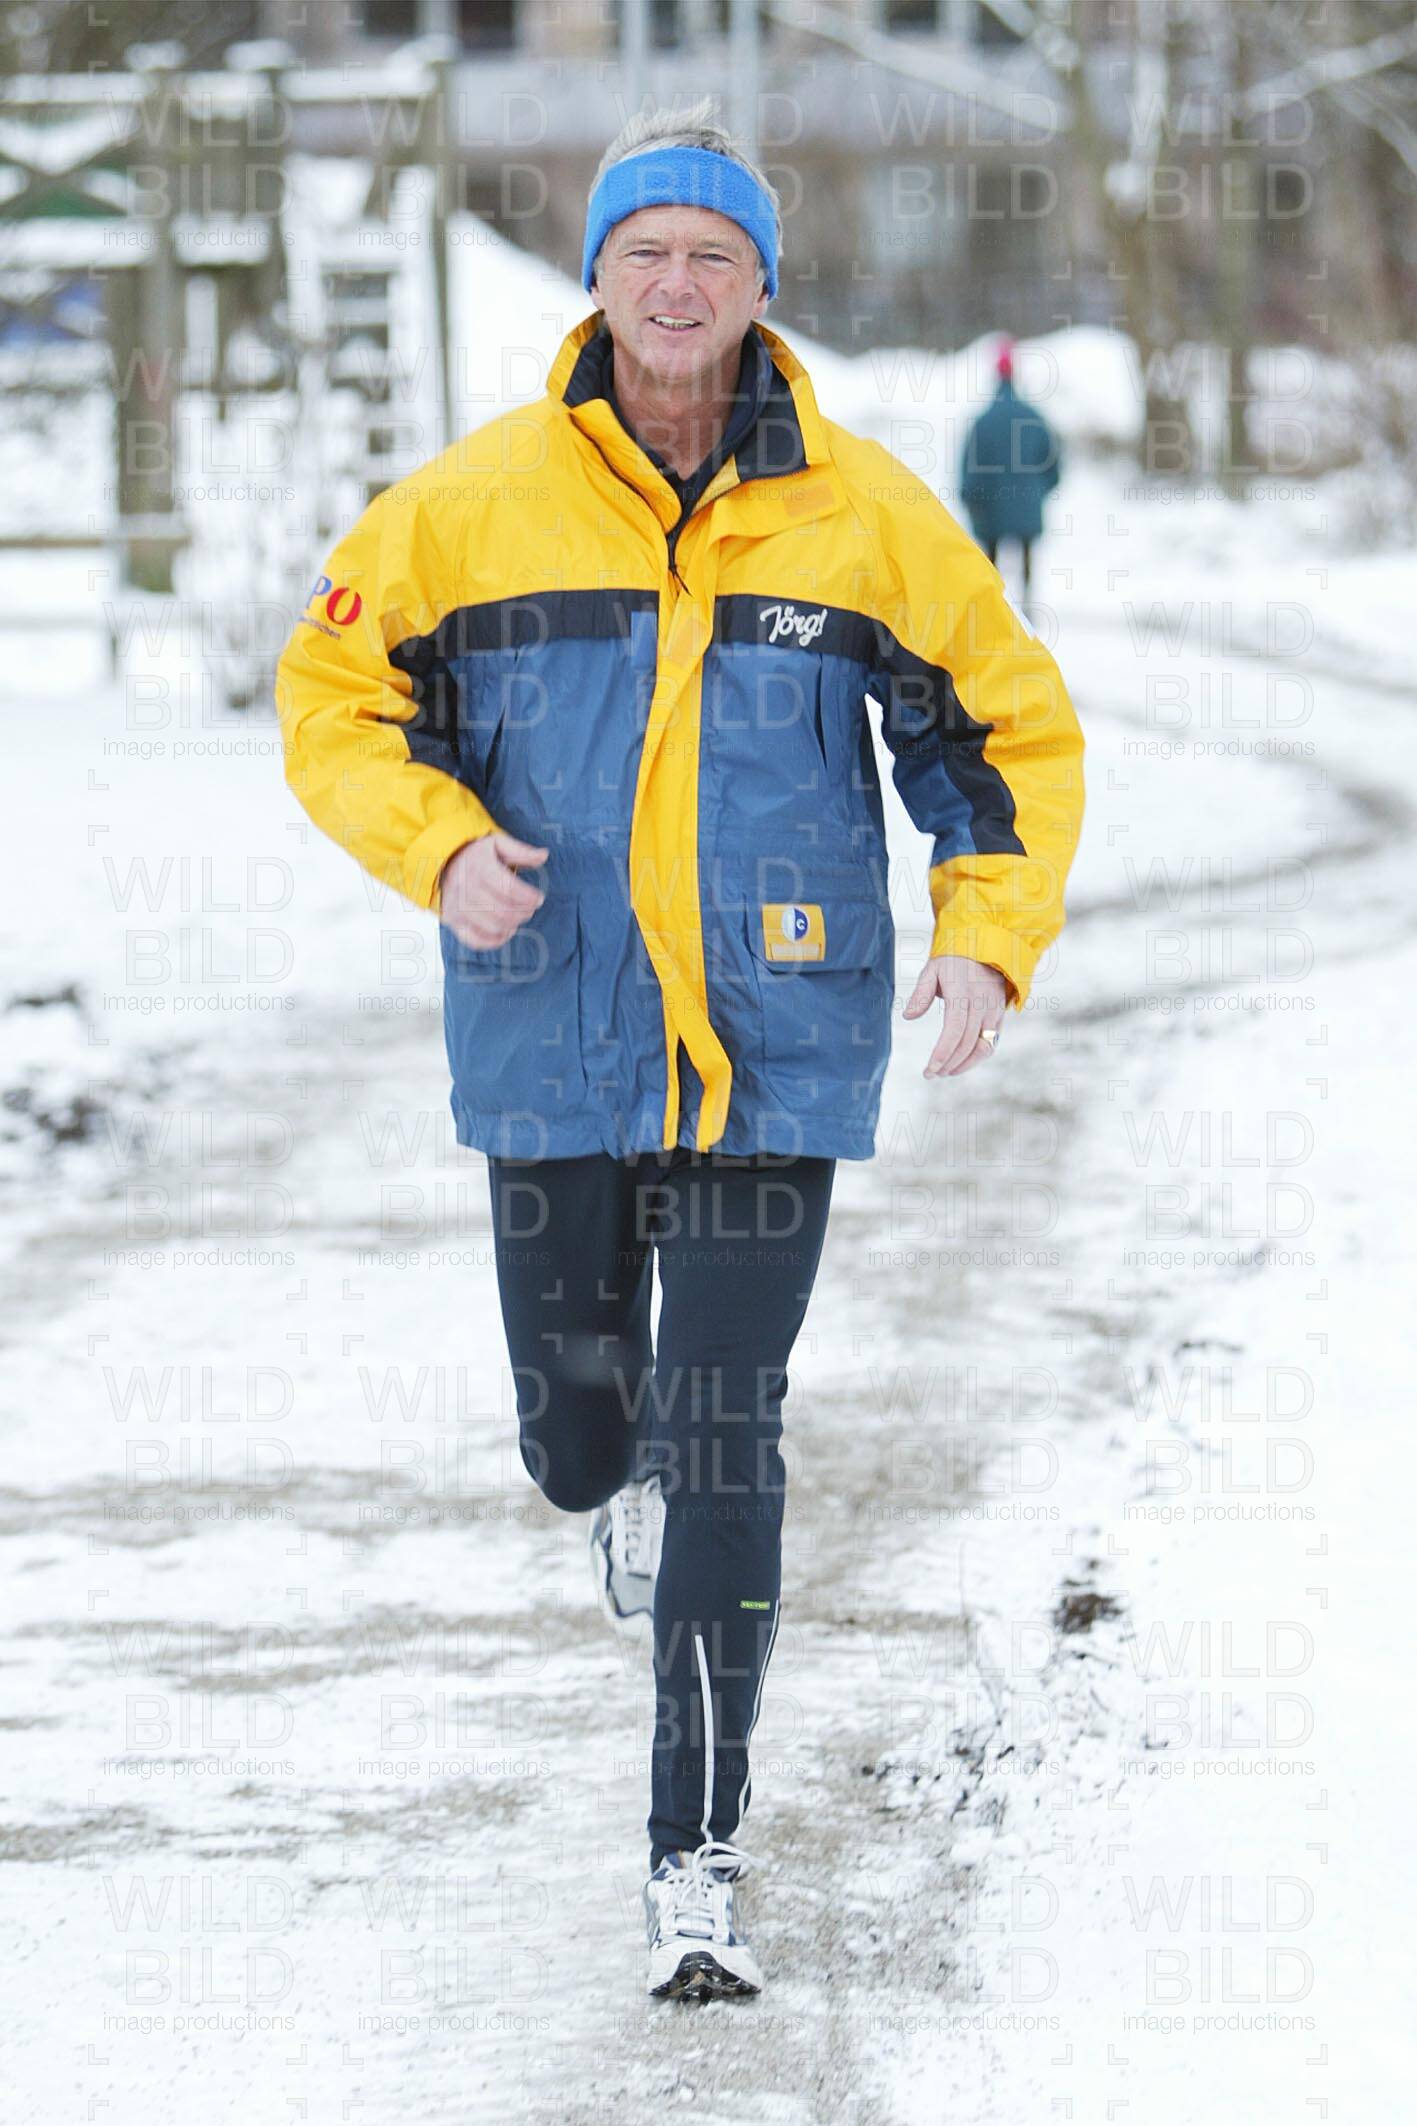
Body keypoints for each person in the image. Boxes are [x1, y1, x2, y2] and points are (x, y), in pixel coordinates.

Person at [274, 100, 1085, 2002]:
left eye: (713, 255)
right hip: (551, 1033)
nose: (675, 282)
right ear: (596, 279)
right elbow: (331, 694)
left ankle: (695, 1847)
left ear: (759, 290)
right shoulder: (468, 506)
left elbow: (1001, 726)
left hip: (778, 1048)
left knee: (726, 1434)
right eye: (644, 250)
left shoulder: (863, 515)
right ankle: (608, 1480)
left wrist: (986, 935)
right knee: (581, 1445)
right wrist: (439, 844)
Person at [959, 336, 1062, 597]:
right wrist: (1038, 490)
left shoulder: (983, 421)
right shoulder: (1034, 418)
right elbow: (1053, 464)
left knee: (991, 563)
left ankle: (994, 606)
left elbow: (971, 469)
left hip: (990, 509)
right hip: (1027, 504)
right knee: (1027, 556)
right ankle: (1028, 601)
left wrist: (969, 497)